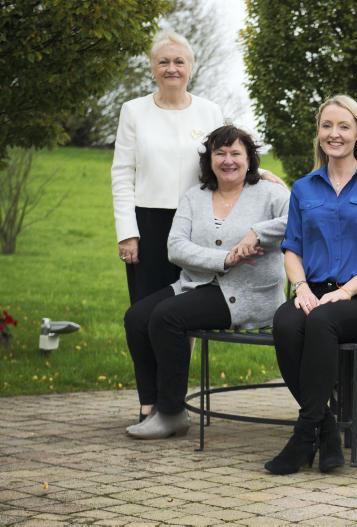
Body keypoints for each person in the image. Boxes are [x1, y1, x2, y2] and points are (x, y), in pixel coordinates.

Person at [266, 95, 357, 475]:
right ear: (318, 132)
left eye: (344, 126)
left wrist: (346, 291)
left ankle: (303, 436)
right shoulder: (304, 188)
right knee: (286, 322)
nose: (334, 133)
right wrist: (301, 288)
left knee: (322, 321)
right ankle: (326, 430)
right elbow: (292, 248)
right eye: (327, 126)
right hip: (314, 291)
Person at [124, 125, 289, 439]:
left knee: (168, 316)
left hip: (247, 294)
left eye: (236, 153)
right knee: (136, 317)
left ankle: (172, 413)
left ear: (250, 159)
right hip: (196, 285)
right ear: (209, 159)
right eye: (220, 153)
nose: (228, 160)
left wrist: (258, 233)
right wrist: (224, 258)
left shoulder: (270, 193)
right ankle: (153, 405)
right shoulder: (195, 197)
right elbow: (176, 247)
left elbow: (300, 218)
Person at [111, 30, 224, 306]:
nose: (171, 68)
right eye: (163, 62)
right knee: (146, 307)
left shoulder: (210, 111)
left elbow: (227, 161)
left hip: (198, 223)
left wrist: (262, 174)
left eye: (179, 62)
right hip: (149, 225)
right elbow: (122, 174)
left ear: (191, 68)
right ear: (153, 68)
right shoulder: (133, 111)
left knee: (190, 307)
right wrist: (127, 233)